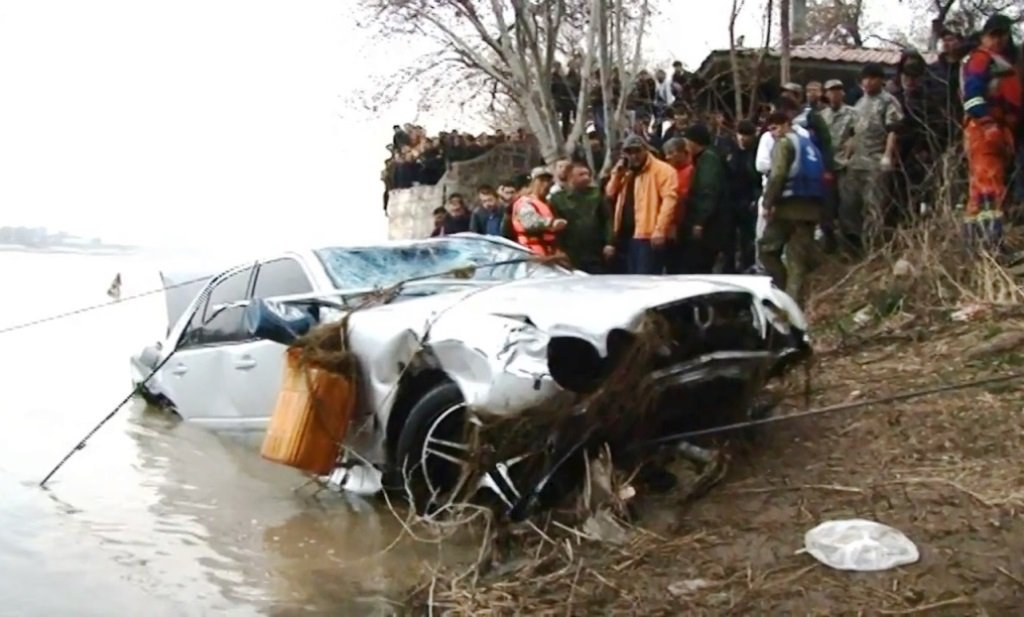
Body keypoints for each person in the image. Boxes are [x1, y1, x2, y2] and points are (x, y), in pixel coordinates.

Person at [960, 14, 1021, 247]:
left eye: (1001, 35)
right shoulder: (980, 59)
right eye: (994, 35)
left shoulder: (999, 61)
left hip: (996, 128)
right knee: (989, 187)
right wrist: (988, 123)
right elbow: (972, 95)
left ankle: (974, 247)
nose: (999, 40)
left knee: (980, 190)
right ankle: (991, 245)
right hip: (984, 129)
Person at [758, 111, 825, 307]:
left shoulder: (784, 144)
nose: (773, 134)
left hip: (787, 208)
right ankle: (795, 305)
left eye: (775, 128)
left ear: (786, 125)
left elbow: (777, 175)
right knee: (798, 259)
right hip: (811, 208)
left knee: (766, 249)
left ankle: (782, 296)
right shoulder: (809, 144)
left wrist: (767, 203)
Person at [841, 62, 904, 253]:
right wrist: (847, 155)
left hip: (876, 162)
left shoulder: (888, 101)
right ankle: (853, 247)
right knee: (850, 205)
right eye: (865, 79)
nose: (867, 82)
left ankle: (873, 249)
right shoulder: (860, 103)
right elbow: (854, 133)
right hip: (856, 162)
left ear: (881, 80)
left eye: (872, 78)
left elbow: (894, 130)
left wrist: (887, 156)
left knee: (873, 206)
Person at [605, 134, 678, 274]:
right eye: (629, 152)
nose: (634, 156)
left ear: (646, 150)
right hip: (624, 235)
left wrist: (660, 230)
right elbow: (610, 193)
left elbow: (669, 202)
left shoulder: (663, 170)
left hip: (648, 236)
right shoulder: (626, 172)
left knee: (645, 279)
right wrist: (616, 174)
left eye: (637, 151)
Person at [679, 123, 728, 274]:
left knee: (699, 265)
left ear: (694, 142)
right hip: (709, 222)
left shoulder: (709, 161)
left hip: (710, 225)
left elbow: (708, 192)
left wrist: (700, 222)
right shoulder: (703, 159)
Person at [549, 162, 615, 273]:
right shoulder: (557, 199)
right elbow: (553, 226)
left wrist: (609, 243)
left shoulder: (596, 194)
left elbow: (607, 219)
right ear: (571, 177)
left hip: (595, 251)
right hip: (570, 252)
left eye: (588, 174)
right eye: (581, 174)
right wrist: (557, 249)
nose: (586, 178)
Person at [820, 79, 856, 253]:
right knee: (826, 208)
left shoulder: (852, 113)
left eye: (838, 90)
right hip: (826, 167)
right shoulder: (821, 116)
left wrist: (851, 148)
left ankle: (849, 248)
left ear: (843, 93)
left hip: (845, 166)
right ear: (826, 94)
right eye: (831, 91)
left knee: (847, 207)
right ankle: (829, 246)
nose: (834, 94)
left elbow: (858, 134)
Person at [724, 120, 762, 272]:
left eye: (746, 135)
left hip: (748, 201)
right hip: (730, 201)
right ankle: (729, 267)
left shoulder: (756, 153)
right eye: (740, 135)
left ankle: (748, 266)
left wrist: (755, 198)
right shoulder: (730, 151)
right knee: (729, 239)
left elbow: (758, 179)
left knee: (748, 238)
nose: (742, 138)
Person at [510, 167, 566, 255]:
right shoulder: (525, 202)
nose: (545, 184)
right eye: (541, 181)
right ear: (532, 183)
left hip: (550, 251)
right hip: (532, 253)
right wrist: (551, 223)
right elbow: (529, 222)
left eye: (548, 181)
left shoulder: (548, 203)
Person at [661, 137, 695, 274]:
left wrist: (674, 223)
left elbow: (681, 199)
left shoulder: (691, 171)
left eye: (671, 152)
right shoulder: (669, 171)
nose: (668, 157)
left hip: (683, 224)